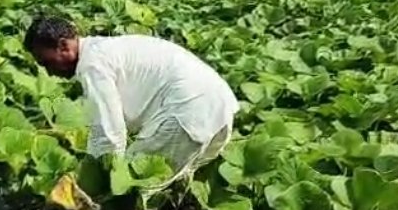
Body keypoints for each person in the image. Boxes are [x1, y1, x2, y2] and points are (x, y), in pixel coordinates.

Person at [23, 15, 239, 194]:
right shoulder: (105, 48)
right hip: (220, 107)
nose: (50, 72)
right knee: (173, 187)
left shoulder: (92, 64)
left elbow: (110, 134)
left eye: (47, 62)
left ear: (63, 46)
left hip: (187, 113)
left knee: (131, 188)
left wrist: (89, 185)